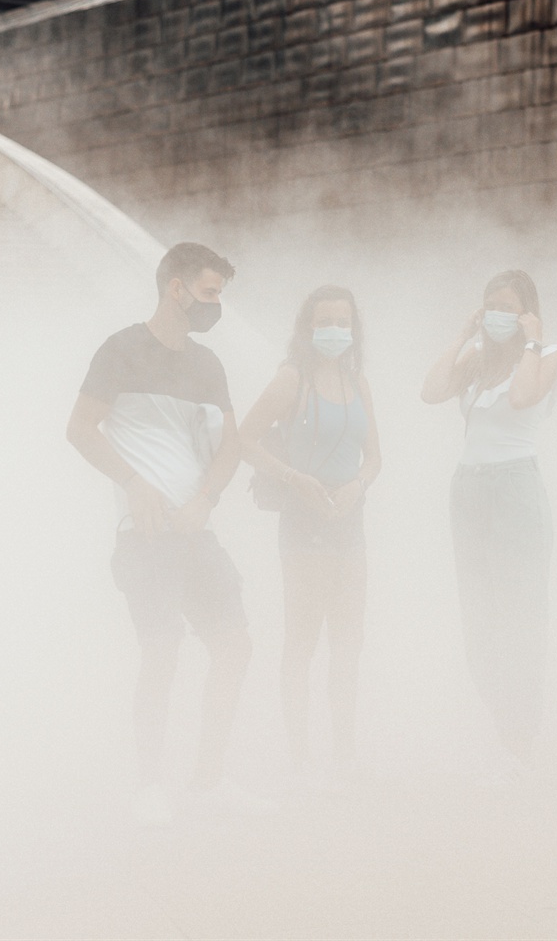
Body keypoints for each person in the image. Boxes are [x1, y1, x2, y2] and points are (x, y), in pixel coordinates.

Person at [65, 241, 270, 824]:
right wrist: (132, 481)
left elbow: (230, 447)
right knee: (162, 652)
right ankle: (149, 785)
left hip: (193, 531)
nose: (215, 305)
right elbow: (80, 429)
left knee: (234, 645)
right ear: (175, 288)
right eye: (209, 292)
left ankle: (209, 780)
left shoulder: (208, 365)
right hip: (145, 536)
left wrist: (206, 499)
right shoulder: (121, 350)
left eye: (220, 295)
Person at [420, 269, 557, 782]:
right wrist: (463, 336)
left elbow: (524, 398)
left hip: (516, 490)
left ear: (527, 310)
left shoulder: (548, 357)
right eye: (489, 306)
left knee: (521, 617)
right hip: (469, 490)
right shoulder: (476, 364)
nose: (496, 315)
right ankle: (503, 732)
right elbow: (429, 391)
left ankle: (522, 742)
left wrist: (533, 339)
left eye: (507, 306)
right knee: (479, 621)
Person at [240, 285, 380, 784]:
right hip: (303, 522)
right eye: (324, 322)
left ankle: (345, 757)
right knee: (303, 641)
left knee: (349, 642)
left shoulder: (356, 379)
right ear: (307, 328)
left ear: (354, 329)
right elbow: (242, 439)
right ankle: (301, 760)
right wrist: (293, 478)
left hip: (349, 520)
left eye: (343, 321)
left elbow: (375, 456)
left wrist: (359, 486)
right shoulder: (291, 379)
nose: (334, 331)